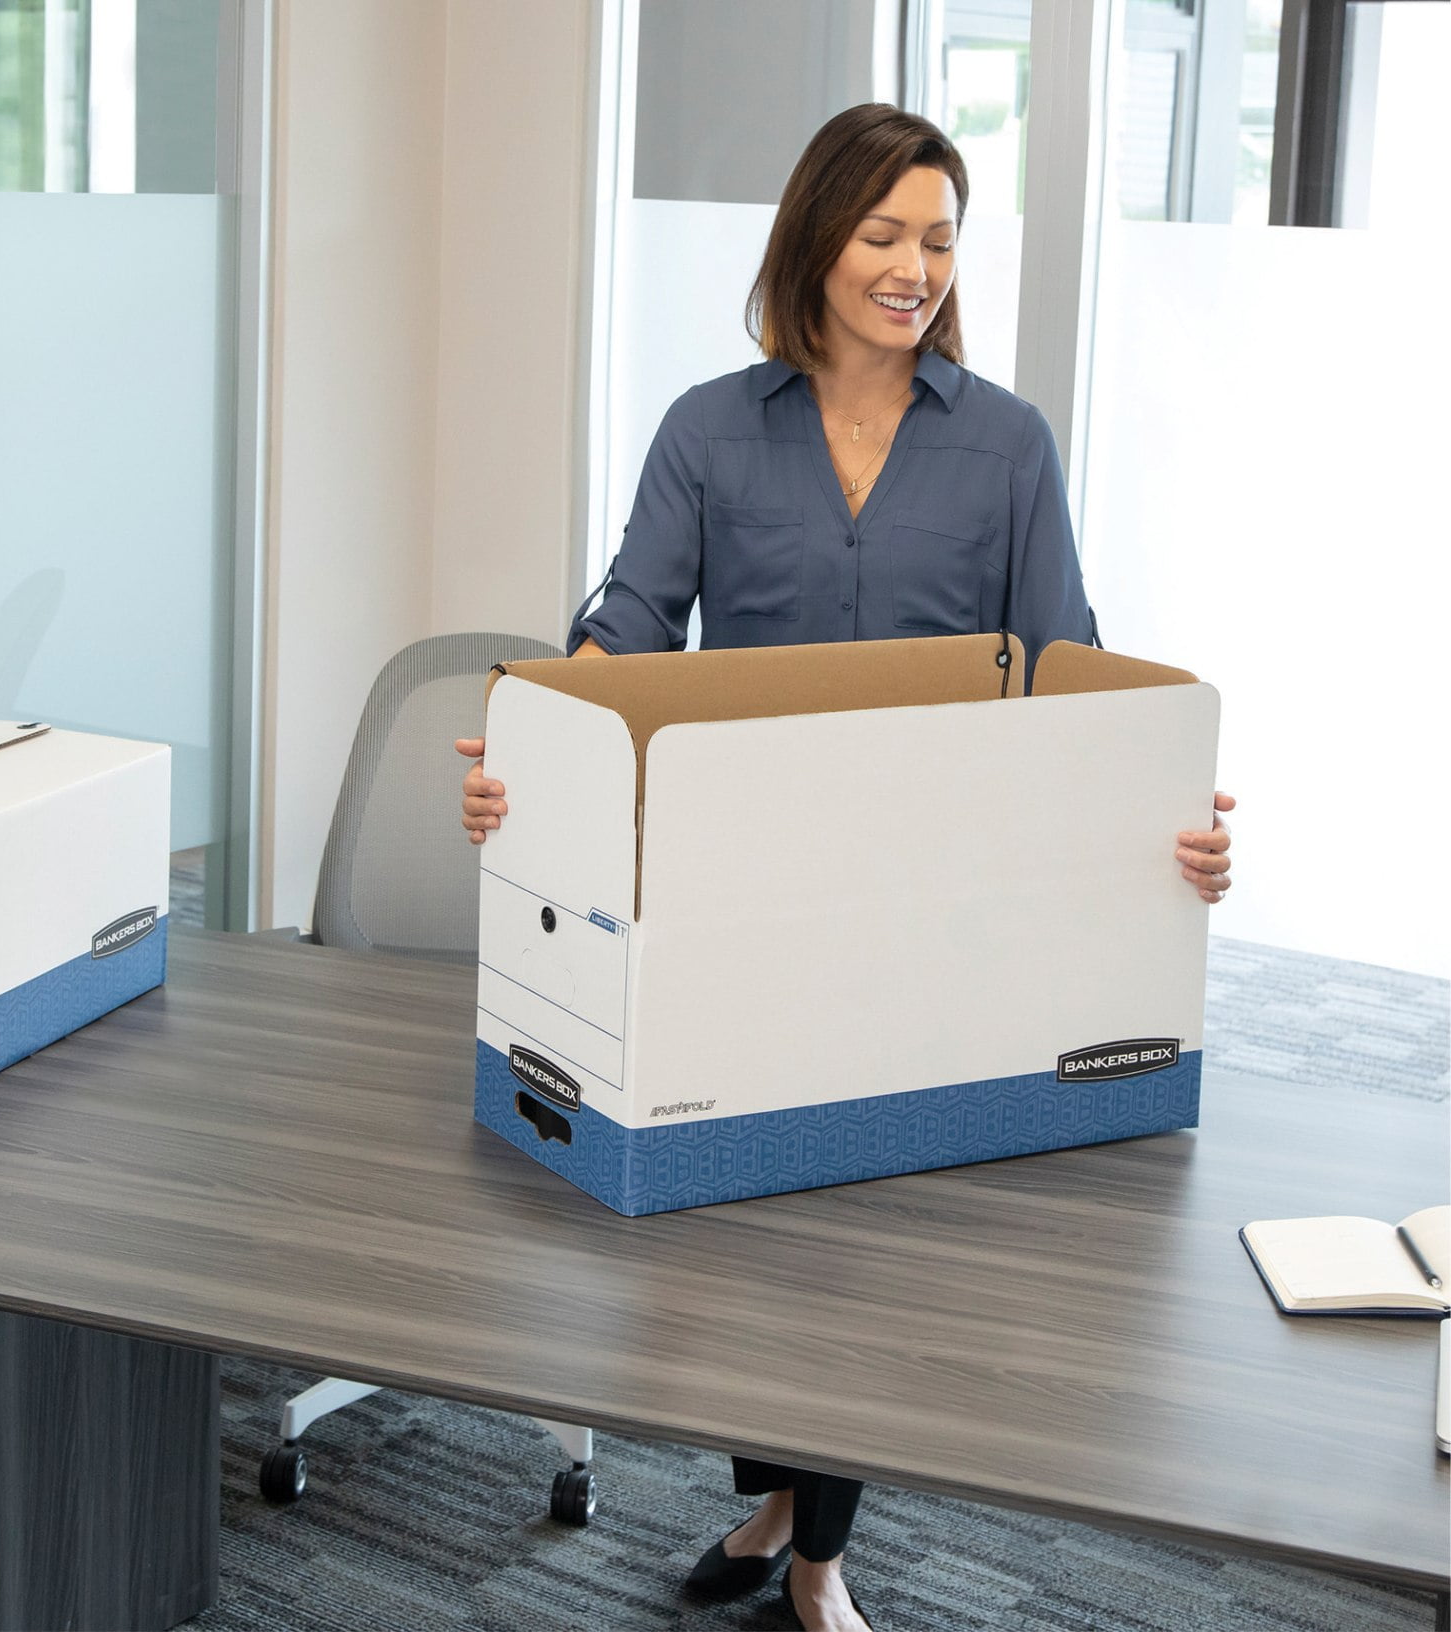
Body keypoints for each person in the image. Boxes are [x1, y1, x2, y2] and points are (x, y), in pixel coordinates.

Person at [453, 102, 1234, 1632]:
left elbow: (1068, 667)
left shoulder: (1007, 444)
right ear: (817, 243)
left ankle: (815, 1554)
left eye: (939, 239)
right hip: (738, 885)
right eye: (884, 234)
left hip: (936, 898)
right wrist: (529, 756)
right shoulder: (709, 430)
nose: (914, 268)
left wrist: (1170, 813)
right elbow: (626, 633)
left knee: (870, 1235)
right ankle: (775, 1496)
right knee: (745, 1224)